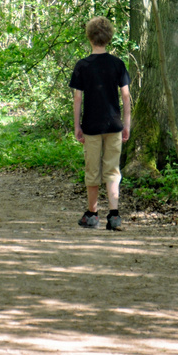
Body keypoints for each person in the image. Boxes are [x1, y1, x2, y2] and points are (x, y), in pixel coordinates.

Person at [69, 16, 131, 230]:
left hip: (91, 126)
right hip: (114, 125)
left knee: (92, 169)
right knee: (113, 170)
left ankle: (93, 213)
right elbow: (125, 96)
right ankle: (114, 216)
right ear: (109, 37)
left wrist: (77, 125)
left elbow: (78, 98)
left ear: (89, 37)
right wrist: (127, 124)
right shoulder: (117, 64)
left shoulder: (82, 66)